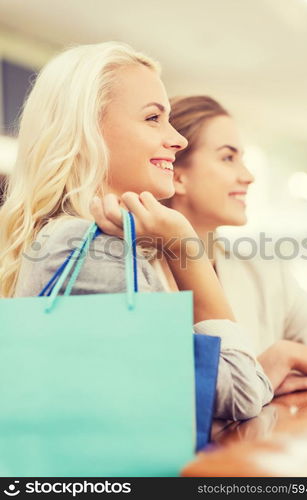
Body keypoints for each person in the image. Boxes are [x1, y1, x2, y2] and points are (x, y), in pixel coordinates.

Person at [0, 42, 273, 420]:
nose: (177, 138)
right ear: (88, 131)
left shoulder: (100, 242)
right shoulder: (85, 247)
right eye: (153, 118)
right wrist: (183, 247)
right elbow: (242, 392)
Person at [93, 95, 307, 396]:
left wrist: (288, 354)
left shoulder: (263, 273)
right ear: (177, 174)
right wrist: (259, 381)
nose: (248, 176)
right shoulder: (129, 273)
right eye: (228, 158)